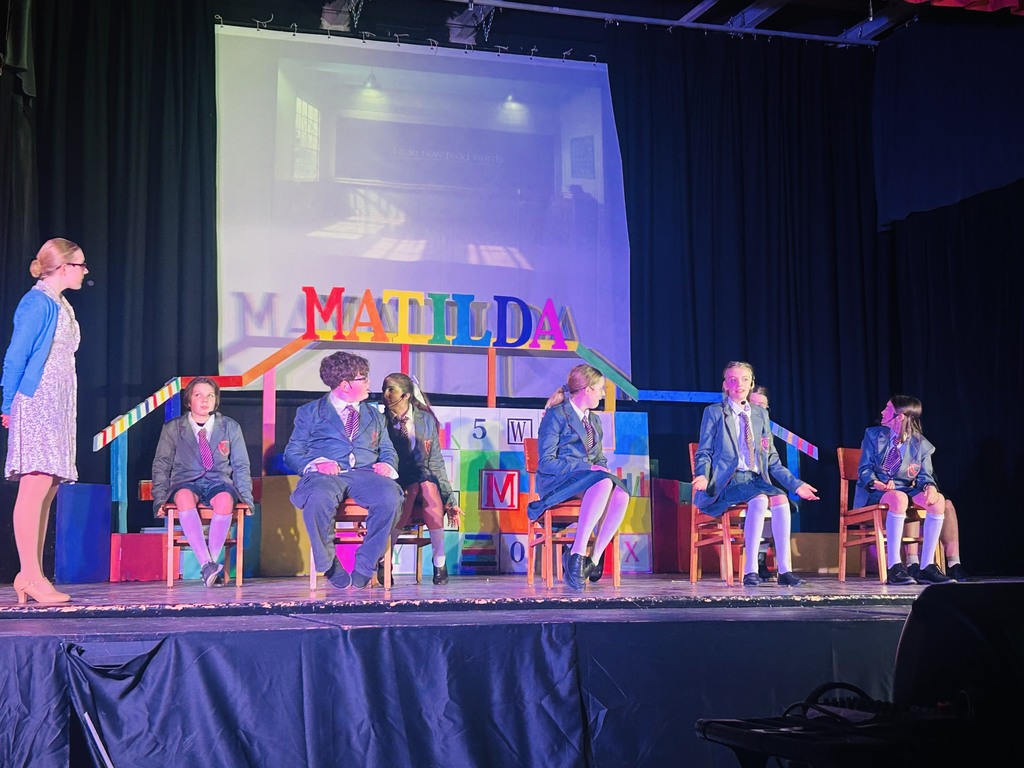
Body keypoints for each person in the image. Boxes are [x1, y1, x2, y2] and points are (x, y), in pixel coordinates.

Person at [2, 238, 88, 604]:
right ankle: (31, 575)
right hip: (36, 402)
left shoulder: (60, 303)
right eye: (80, 264)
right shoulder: (36, 303)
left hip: (58, 404)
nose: (85, 271)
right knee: (35, 484)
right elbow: (15, 356)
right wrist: (8, 403)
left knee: (49, 487)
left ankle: (30, 573)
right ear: (64, 267)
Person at [692, 361, 819, 587]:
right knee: (759, 500)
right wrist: (702, 474)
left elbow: (771, 458)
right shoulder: (714, 412)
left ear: (751, 383)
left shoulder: (760, 414)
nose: (738, 384)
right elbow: (704, 451)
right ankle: (750, 570)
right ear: (725, 385)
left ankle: (784, 570)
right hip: (729, 480)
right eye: (732, 379)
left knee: (781, 498)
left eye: (743, 379)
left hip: (756, 479)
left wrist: (796, 485)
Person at [284, 351, 403, 590]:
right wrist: (317, 463)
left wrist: (388, 465)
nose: (370, 383)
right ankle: (328, 563)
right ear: (345, 385)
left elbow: (388, 448)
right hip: (327, 475)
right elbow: (292, 453)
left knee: (391, 496)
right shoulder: (310, 412)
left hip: (365, 473)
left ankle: (366, 563)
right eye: (364, 378)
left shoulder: (374, 415)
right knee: (317, 497)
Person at [526, 364, 629, 590]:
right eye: (600, 389)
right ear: (587, 390)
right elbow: (546, 462)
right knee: (602, 484)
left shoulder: (595, 421)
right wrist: (587, 467)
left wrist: (603, 470)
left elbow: (598, 459)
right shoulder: (556, 416)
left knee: (621, 492)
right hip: (558, 482)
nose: (603, 394)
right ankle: (577, 553)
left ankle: (592, 560)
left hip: (586, 481)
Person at [151, 377, 254, 587]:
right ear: (189, 401)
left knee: (225, 500)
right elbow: (161, 465)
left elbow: (241, 465)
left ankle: (209, 567)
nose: (205, 400)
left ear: (216, 401)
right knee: (184, 498)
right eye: (198, 395)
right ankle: (208, 564)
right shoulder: (173, 428)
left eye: (210, 396)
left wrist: (247, 498)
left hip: (218, 481)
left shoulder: (230, 427)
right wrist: (160, 498)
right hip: (186, 480)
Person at [854, 395, 951, 585]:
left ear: (899, 416)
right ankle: (895, 567)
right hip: (876, 492)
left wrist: (930, 488)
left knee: (938, 500)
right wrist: (876, 483)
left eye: (887, 409)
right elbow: (864, 468)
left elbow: (925, 476)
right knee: (898, 498)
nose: (882, 412)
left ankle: (926, 567)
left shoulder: (921, 445)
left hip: (904, 491)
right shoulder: (873, 435)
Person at [380, 372, 462, 585]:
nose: (386, 394)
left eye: (391, 390)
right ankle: (384, 559)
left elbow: (435, 462)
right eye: (384, 389)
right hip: (395, 477)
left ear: (406, 395)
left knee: (426, 485)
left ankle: (439, 560)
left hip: (423, 477)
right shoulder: (380, 421)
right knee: (414, 488)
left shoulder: (425, 420)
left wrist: (450, 500)